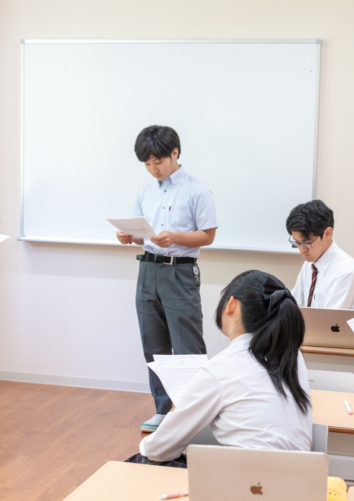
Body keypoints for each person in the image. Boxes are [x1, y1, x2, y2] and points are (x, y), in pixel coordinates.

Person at [132, 270, 313, 465]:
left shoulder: (220, 368)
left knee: (144, 462)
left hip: (251, 484)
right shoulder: (293, 357)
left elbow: (158, 449)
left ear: (231, 305)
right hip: (301, 481)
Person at [116, 125, 217, 433]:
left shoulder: (197, 190)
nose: (153, 169)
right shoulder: (145, 192)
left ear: (175, 153)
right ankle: (162, 409)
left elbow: (208, 235)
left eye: (157, 161)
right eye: (147, 164)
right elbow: (142, 236)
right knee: (154, 345)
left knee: (187, 346)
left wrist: (176, 237)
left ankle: (193, 413)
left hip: (180, 270)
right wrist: (128, 236)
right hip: (147, 270)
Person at [286, 200, 354, 309]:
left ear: (327, 233)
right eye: (296, 242)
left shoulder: (346, 272)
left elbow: (329, 322)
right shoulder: (310, 264)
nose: (302, 249)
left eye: (307, 242)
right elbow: (295, 304)